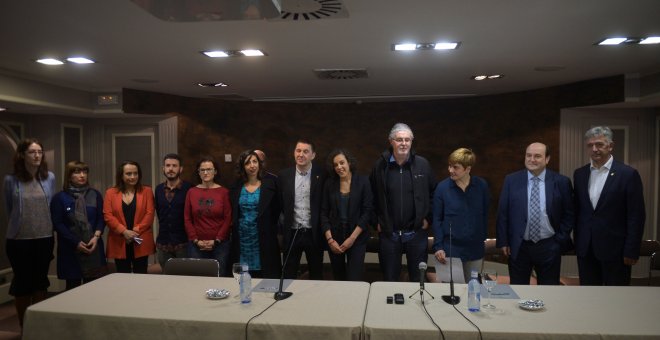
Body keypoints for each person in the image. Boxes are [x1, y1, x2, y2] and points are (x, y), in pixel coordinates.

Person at [573, 126, 645, 286]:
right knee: (589, 297)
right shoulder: (580, 174)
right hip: (586, 249)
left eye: (599, 144)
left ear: (611, 146)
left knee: (616, 299)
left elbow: (636, 215)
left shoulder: (627, 174)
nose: (594, 149)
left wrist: (631, 249)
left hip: (616, 251)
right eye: (590, 145)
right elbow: (579, 211)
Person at [496, 143, 574, 285]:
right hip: (519, 247)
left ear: (547, 159)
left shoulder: (561, 182)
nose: (532, 159)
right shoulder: (511, 180)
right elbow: (503, 213)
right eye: (529, 155)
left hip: (549, 245)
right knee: (519, 291)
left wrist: (559, 240)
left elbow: (569, 214)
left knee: (549, 291)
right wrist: (504, 241)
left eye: (537, 156)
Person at [370, 123, 436, 282]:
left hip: (416, 234)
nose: (404, 143)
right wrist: (376, 222)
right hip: (389, 235)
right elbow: (370, 196)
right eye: (399, 139)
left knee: (418, 280)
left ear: (412, 142)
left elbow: (434, 193)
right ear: (391, 141)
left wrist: (428, 218)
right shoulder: (380, 166)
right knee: (389, 280)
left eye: (407, 140)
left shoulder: (422, 164)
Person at [3, 138, 56, 328]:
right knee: (23, 283)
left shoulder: (49, 177)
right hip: (19, 240)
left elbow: (51, 206)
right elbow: (11, 209)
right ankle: (24, 326)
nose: (37, 155)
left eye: (40, 152)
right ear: (22, 155)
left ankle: (38, 326)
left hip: (44, 237)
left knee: (40, 282)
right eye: (32, 152)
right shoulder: (11, 180)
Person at [431, 148, 489, 283]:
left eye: (455, 167)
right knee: (450, 293)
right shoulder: (442, 188)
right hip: (450, 250)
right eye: (449, 166)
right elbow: (437, 219)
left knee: (473, 289)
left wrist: (481, 238)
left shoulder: (481, 186)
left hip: (475, 249)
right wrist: (438, 246)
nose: (450, 170)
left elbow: (485, 214)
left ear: (468, 169)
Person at [50, 161, 107, 290]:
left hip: (93, 245)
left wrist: (96, 237)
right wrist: (76, 242)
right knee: (72, 288)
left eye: (85, 172)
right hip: (71, 248)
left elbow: (101, 218)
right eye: (77, 172)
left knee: (93, 288)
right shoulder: (60, 198)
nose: (82, 175)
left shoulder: (95, 194)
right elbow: (58, 224)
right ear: (69, 176)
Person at [278, 139, 327, 279]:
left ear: (313, 155)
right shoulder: (283, 176)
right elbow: (280, 204)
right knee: (288, 273)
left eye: (306, 151)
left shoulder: (322, 175)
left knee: (316, 273)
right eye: (298, 151)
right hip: (292, 232)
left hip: (314, 233)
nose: (301, 154)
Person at [321, 148, 373, 281]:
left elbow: (367, 212)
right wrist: (330, 240)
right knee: (338, 278)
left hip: (357, 237)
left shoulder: (363, 182)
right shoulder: (329, 184)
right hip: (335, 238)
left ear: (349, 163)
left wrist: (352, 238)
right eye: (336, 165)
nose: (339, 167)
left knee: (354, 279)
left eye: (342, 163)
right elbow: (323, 213)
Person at [229, 150, 281, 278]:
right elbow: (234, 212)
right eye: (248, 163)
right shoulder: (236, 187)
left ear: (259, 164)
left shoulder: (271, 184)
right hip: (242, 238)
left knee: (266, 275)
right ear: (243, 167)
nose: (252, 166)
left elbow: (277, 209)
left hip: (264, 236)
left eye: (254, 161)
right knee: (243, 275)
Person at [103, 161, 155, 274]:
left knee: (141, 276)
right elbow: (108, 215)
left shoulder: (147, 191)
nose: (133, 177)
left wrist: (134, 231)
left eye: (135, 173)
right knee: (122, 276)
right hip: (119, 240)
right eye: (129, 173)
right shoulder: (110, 193)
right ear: (121, 175)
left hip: (140, 239)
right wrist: (124, 231)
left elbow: (149, 214)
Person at [184, 157, 232, 276]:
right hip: (196, 245)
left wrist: (216, 240)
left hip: (220, 245)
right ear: (198, 172)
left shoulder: (224, 192)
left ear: (215, 172)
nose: (206, 173)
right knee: (197, 278)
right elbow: (187, 218)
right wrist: (195, 240)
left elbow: (228, 218)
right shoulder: (191, 192)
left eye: (209, 169)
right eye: (202, 170)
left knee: (219, 276)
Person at [154, 153, 192, 271]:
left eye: (174, 166)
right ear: (163, 169)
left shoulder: (189, 188)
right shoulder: (158, 189)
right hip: (163, 243)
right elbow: (160, 214)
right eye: (168, 165)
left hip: (183, 243)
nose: (171, 169)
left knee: (185, 277)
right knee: (167, 277)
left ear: (180, 169)